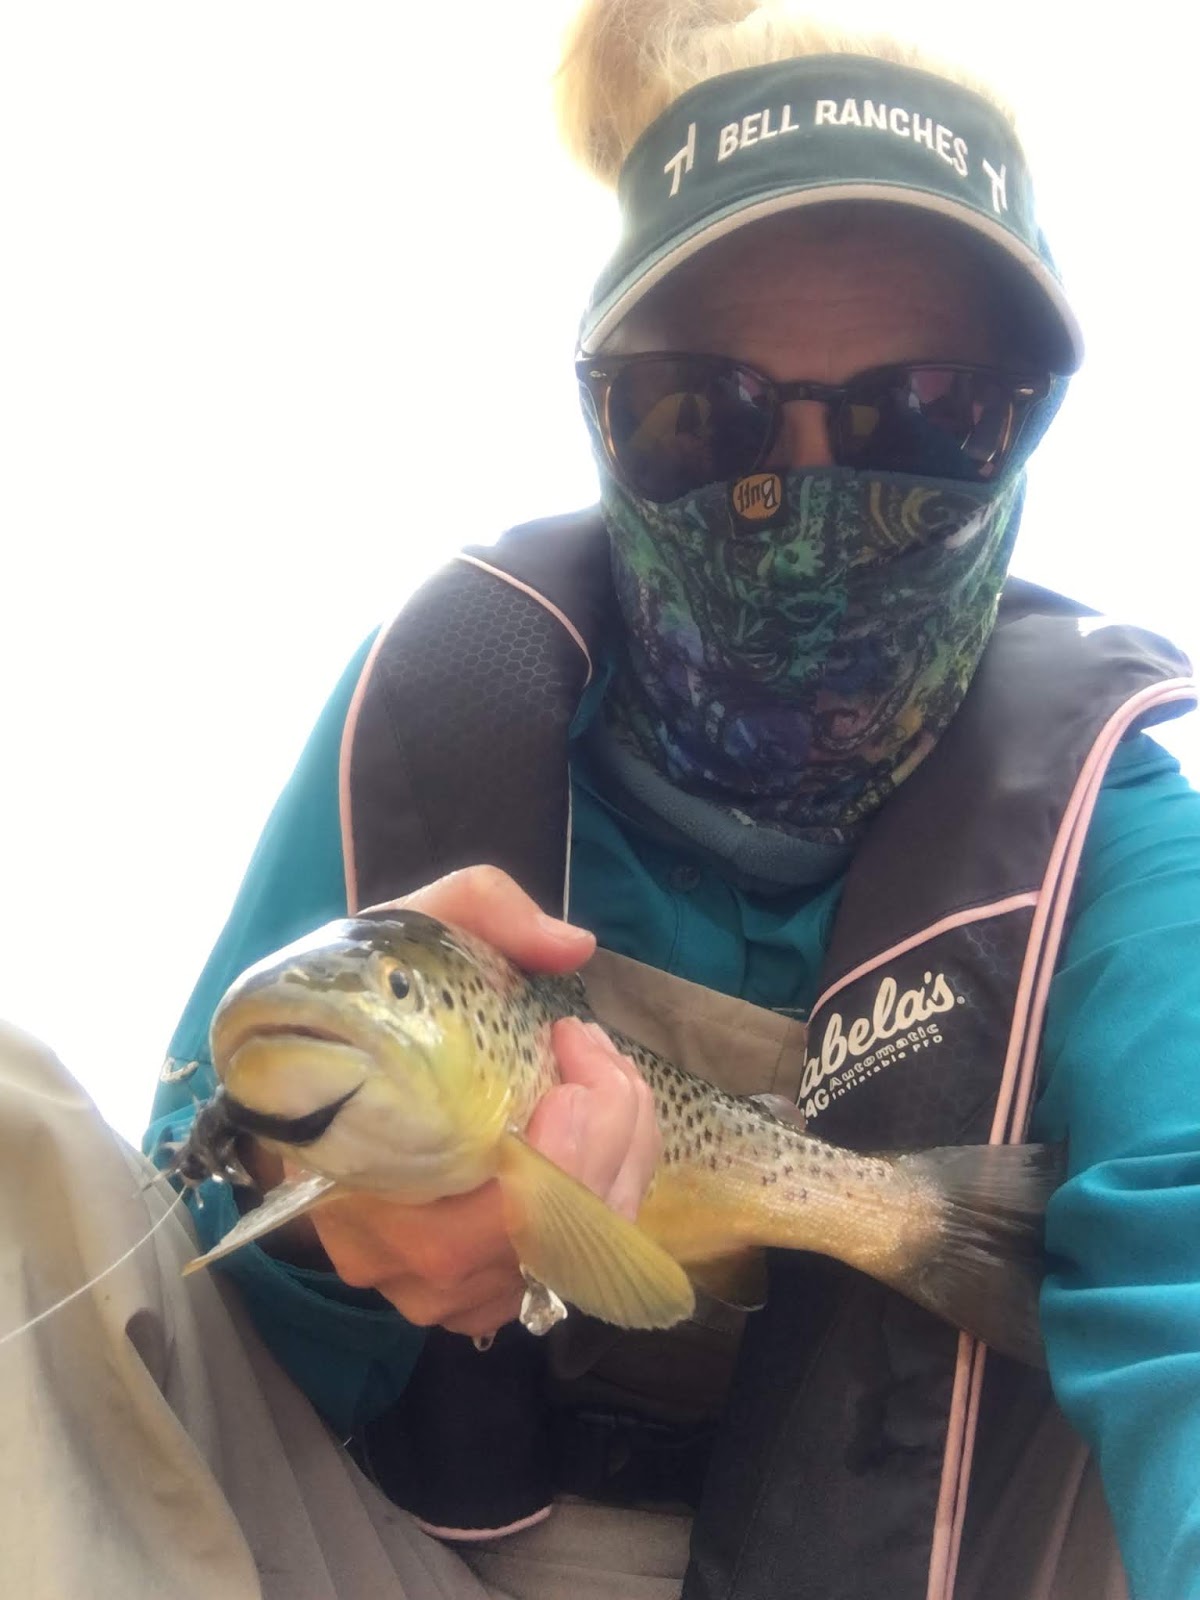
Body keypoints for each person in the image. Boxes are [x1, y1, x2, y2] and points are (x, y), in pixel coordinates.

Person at [7, 3, 1200, 1598]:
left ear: (1028, 431)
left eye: (932, 410)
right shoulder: (438, 716)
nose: (804, 500)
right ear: (603, 417)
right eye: (700, 413)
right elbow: (171, 1221)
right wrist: (310, 1206)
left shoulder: (1109, 840)